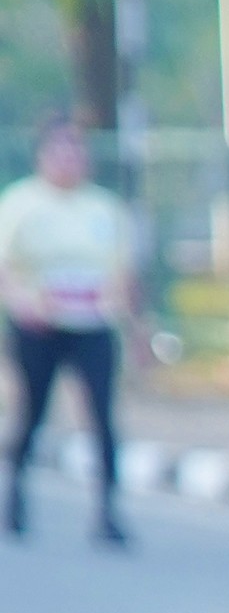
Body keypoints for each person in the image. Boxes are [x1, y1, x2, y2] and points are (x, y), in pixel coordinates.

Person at [0, 114, 139, 546]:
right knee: (33, 411)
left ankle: (108, 510)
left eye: (75, 151)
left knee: (101, 415)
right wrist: (24, 302)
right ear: (42, 157)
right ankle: (16, 493)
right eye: (59, 151)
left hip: (92, 323)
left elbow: (123, 272)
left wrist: (134, 325)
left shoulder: (104, 208)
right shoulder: (20, 204)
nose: (68, 160)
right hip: (38, 326)